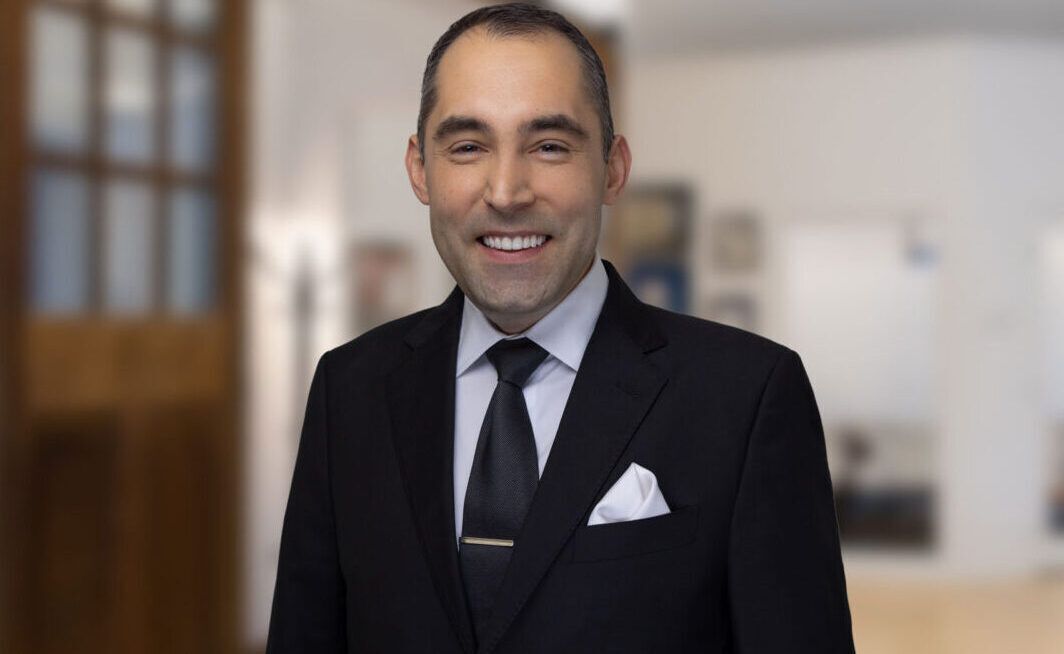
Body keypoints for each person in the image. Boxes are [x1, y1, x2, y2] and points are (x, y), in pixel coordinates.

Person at [266, 3, 856, 653]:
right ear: (419, 169)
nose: (506, 191)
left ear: (612, 168)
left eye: (549, 146)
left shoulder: (747, 397)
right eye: (468, 147)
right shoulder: (349, 389)